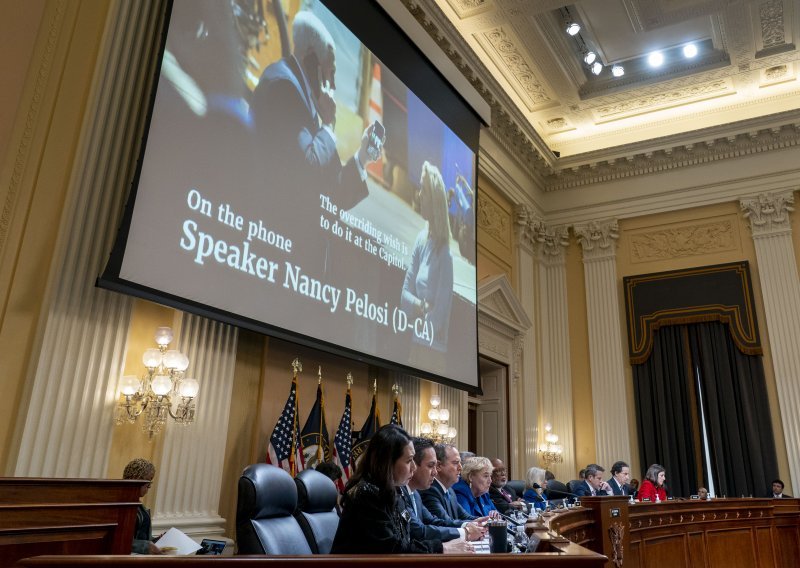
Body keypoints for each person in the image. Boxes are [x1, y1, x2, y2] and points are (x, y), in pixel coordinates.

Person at [249, 10, 382, 278]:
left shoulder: (305, 99)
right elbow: (307, 168)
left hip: (297, 266)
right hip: (274, 254)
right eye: (329, 70)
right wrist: (328, 126)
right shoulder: (284, 87)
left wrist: (362, 159)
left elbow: (331, 195)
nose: (331, 83)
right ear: (311, 57)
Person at [331, 424, 471, 554]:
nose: (413, 468)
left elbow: (407, 538)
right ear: (388, 462)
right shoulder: (367, 494)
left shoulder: (393, 491)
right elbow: (393, 548)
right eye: (409, 461)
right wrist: (443, 547)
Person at [400, 161, 454, 352]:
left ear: (434, 199)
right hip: (414, 343)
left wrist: (419, 312)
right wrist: (422, 306)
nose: (419, 195)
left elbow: (438, 318)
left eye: (424, 191)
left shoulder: (445, 256)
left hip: (431, 351)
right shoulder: (421, 239)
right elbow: (403, 295)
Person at [403, 438, 484, 542]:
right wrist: (465, 532)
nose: (435, 472)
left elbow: (433, 521)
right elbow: (419, 531)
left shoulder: (416, 494)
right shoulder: (402, 493)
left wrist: (471, 524)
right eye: (431, 466)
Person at [420, 444, 478, 523]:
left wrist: (486, 521)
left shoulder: (450, 490)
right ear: (439, 466)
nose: (460, 467)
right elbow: (445, 522)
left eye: (460, 463)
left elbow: (464, 516)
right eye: (455, 463)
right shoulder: (430, 490)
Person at [123, 458, 162, 555]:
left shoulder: (138, 504)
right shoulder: (123, 505)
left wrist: (156, 540)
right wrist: (146, 546)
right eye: (148, 483)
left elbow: (141, 536)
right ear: (138, 479)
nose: (148, 487)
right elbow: (121, 540)